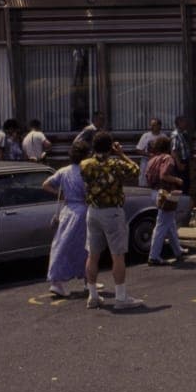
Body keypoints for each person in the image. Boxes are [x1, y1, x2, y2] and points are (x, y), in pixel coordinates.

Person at [79, 131, 145, 311]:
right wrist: (121, 154)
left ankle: (93, 295)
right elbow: (135, 170)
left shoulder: (85, 165)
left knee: (93, 254)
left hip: (93, 211)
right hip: (112, 212)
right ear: (110, 147)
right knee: (117, 255)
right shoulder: (116, 164)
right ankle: (121, 297)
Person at [41, 140, 91, 297]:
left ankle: (56, 281)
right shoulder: (85, 173)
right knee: (86, 248)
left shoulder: (63, 171)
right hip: (82, 211)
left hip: (66, 211)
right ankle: (88, 281)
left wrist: (60, 194)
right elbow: (88, 195)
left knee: (60, 245)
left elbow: (45, 184)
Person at [144, 136, 187, 266]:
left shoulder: (152, 160)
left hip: (154, 192)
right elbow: (164, 175)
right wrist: (177, 180)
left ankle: (177, 250)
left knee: (170, 222)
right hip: (165, 192)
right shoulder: (167, 158)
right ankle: (154, 256)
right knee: (162, 224)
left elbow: (147, 176)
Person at [136, 117, 165, 187]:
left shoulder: (163, 137)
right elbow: (138, 150)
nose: (151, 127)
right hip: (146, 163)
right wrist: (149, 154)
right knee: (145, 184)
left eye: (154, 125)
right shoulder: (145, 136)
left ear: (159, 126)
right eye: (151, 125)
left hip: (159, 164)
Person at [170, 115, 194, 193]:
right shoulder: (176, 135)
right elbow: (174, 151)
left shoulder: (184, 133)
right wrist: (179, 164)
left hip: (185, 161)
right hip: (180, 161)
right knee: (181, 183)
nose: (186, 123)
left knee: (186, 183)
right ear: (179, 123)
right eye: (184, 122)